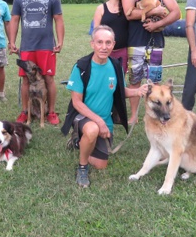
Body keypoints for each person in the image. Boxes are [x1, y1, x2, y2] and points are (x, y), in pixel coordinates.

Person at [61, 25, 148, 188]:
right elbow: (76, 102)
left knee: (101, 164)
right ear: (92, 44)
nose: (104, 47)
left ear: (113, 44)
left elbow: (120, 91)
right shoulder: (81, 67)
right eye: (99, 42)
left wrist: (137, 92)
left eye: (108, 42)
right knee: (93, 130)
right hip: (83, 117)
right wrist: (99, 122)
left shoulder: (116, 66)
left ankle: (79, 142)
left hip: (104, 120)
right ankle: (82, 167)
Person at [121, 0, 181, 124]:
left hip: (156, 41)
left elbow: (176, 12)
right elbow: (128, 13)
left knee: (154, 81)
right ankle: (134, 116)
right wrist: (155, 10)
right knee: (134, 80)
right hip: (135, 40)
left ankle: (155, 115)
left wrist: (158, 24)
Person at [9, 0, 65, 125]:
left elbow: (58, 20)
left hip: (46, 46)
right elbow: (14, 20)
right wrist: (12, 42)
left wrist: (60, 42)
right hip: (27, 46)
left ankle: (51, 112)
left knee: (48, 79)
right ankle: (25, 112)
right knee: (26, 80)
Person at [92, 0, 129, 73]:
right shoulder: (101, 8)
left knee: (120, 80)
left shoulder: (127, 8)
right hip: (104, 52)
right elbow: (95, 32)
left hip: (123, 51)